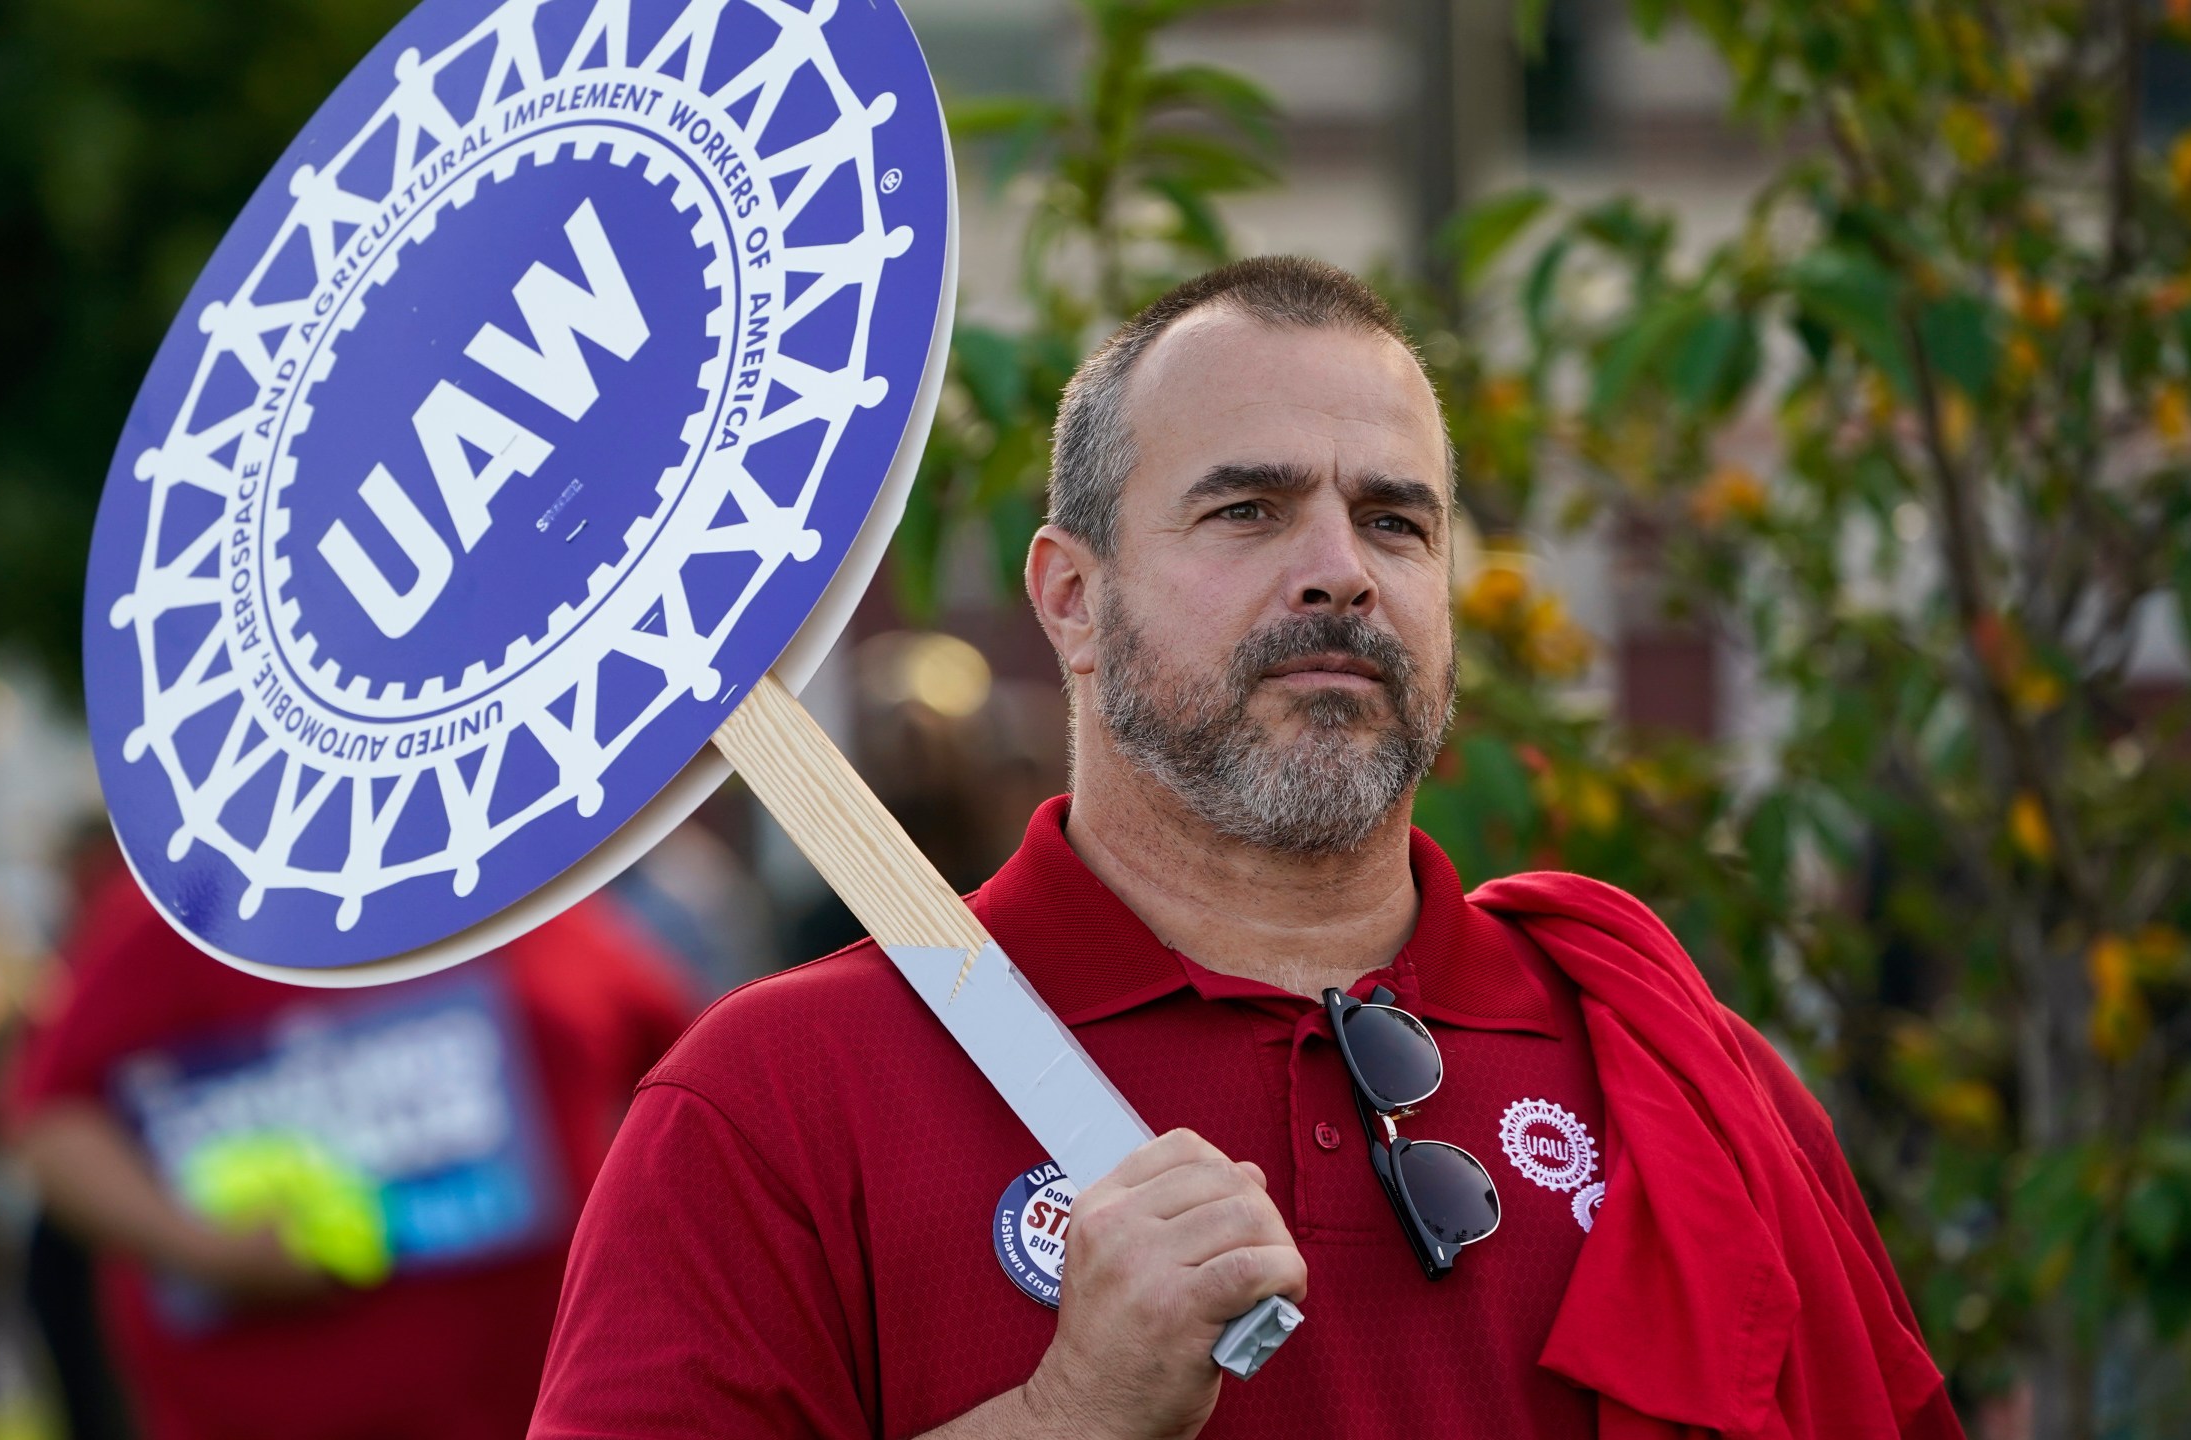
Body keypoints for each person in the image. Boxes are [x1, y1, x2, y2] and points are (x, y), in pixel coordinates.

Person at [530, 256, 1964, 1438]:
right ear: (1071, 598)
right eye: (1248, 509)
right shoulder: (773, 1103)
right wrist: (1063, 1415)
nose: (1340, 566)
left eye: (1396, 522)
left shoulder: (1686, 1082)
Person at [1, 850, 692, 1440]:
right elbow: (49, 1124)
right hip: (259, 1414)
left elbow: (690, 1080)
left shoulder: (532, 896)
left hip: (548, 1410)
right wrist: (204, 1248)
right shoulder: (197, 909)